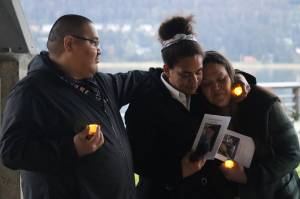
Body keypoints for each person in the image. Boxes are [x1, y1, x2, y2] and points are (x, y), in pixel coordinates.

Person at [0, 14, 151, 199]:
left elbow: (135, 81)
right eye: (94, 43)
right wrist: (72, 148)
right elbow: (11, 152)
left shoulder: (100, 84)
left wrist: (172, 71)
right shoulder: (32, 91)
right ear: (69, 44)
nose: (99, 50)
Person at [125, 16, 255, 199]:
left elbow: (221, 68)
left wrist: (240, 78)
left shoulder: (201, 91)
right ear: (167, 70)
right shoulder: (144, 102)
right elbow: (137, 159)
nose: (194, 81)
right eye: (185, 75)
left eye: (198, 72)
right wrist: (178, 171)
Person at [200, 50, 300, 199]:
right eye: (207, 84)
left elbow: (293, 154)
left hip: (279, 194)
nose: (216, 88)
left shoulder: (264, 103)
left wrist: (249, 177)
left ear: (231, 77)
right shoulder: (202, 113)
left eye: (221, 80)